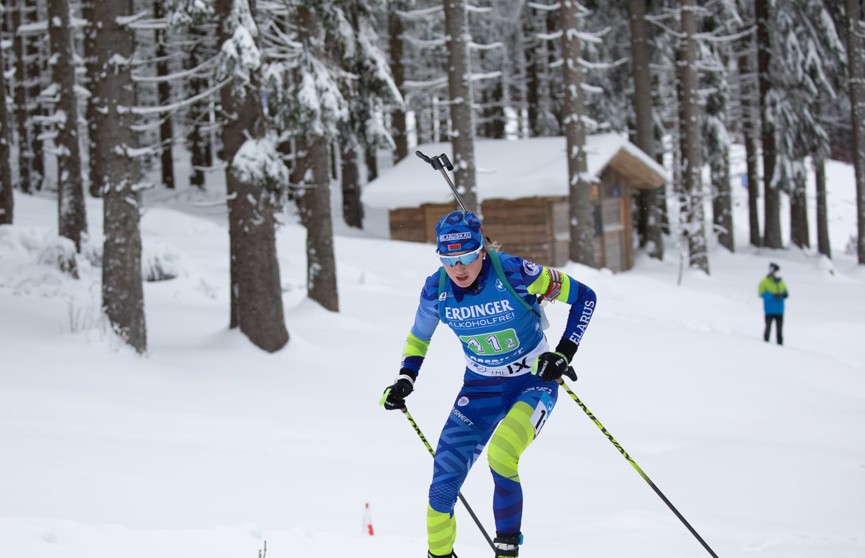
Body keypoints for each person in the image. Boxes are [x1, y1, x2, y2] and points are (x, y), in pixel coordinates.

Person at [380, 210, 597, 558]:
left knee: (502, 454)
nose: (459, 268)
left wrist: (563, 354)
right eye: (449, 260)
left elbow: (585, 297)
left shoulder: (516, 272)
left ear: (482, 249)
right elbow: (418, 338)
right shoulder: (436, 289)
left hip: (532, 383)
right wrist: (406, 377)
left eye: (466, 256)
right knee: (441, 490)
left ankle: (507, 551)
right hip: (479, 389)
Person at [758, 262, 789, 345]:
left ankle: (780, 343)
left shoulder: (780, 282)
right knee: (768, 327)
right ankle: (765, 342)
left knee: (779, 328)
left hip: (779, 310)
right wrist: (773, 296)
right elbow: (761, 294)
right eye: (776, 271)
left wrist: (784, 294)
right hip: (769, 309)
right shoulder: (764, 282)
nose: (777, 273)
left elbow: (785, 291)